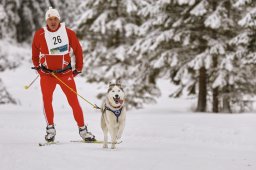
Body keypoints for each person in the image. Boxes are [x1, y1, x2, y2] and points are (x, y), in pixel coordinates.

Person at [31, 7, 95, 142]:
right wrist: (38, 69)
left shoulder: (68, 33)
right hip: (47, 75)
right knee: (47, 101)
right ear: (46, 20)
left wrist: (78, 68)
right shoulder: (40, 34)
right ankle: (50, 130)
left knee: (74, 102)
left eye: (55, 19)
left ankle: (83, 130)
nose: (53, 22)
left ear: (59, 19)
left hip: (65, 73)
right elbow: (35, 53)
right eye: (50, 19)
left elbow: (78, 50)